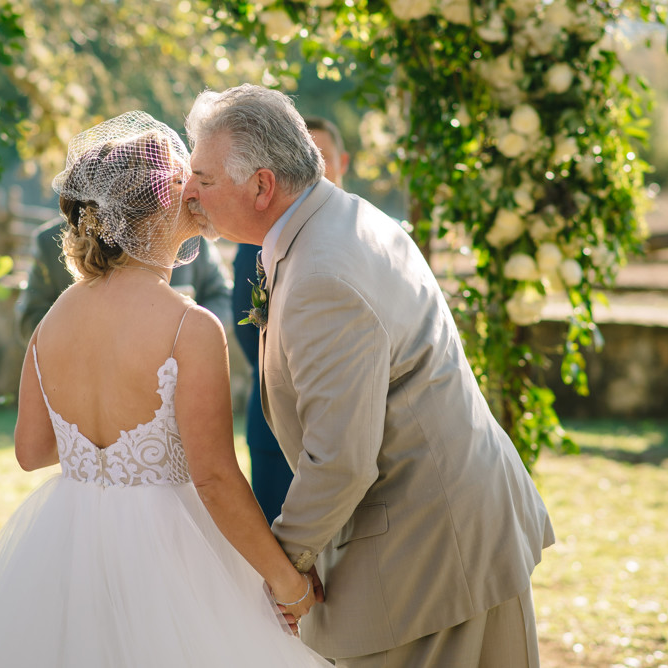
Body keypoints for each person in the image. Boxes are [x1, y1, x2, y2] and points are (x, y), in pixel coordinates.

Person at [0, 111, 330, 667]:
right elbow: (212, 476)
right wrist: (287, 582)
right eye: (190, 183)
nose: (198, 194)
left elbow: (31, 450)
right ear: (160, 206)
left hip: (69, 547)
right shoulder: (189, 326)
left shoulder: (52, 321)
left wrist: (100, 447)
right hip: (171, 558)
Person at [183, 84, 555, 668]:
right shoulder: (338, 217)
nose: (188, 192)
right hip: (457, 525)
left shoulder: (321, 276)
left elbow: (341, 459)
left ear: (261, 185)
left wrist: (285, 568)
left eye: (202, 177)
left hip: (429, 554)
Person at [231, 115, 350, 524]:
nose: (317, 169)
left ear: (343, 162)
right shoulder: (259, 240)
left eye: (324, 157)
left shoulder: (364, 233)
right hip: (274, 426)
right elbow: (247, 325)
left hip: (349, 425)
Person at [16, 207, 232, 340]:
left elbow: (221, 295)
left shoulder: (189, 235)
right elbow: (31, 318)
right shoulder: (49, 242)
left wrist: (194, 333)